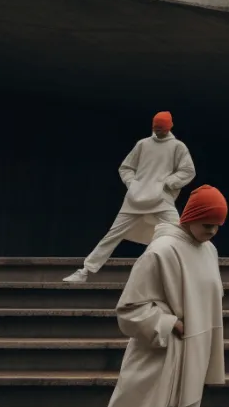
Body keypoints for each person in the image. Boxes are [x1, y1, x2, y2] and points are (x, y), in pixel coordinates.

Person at [74, 185, 228, 407]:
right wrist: (170, 324)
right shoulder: (160, 251)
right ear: (190, 217)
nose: (213, 231)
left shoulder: (209, 250)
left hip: (191, 356)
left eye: (218, 226)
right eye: (208, 224)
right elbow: (129, 309)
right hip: (158, 357)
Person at [64, 112, 196, 283]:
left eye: (161, 129)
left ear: (169, 127)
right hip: (135, 199)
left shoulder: (178, 147)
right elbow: (126, 168)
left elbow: (188, 170)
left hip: (161, 199)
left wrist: (168, 183)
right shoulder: (143, 144)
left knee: (179, 233)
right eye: (155, 129)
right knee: (112, 235)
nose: (157, 132)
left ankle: (189, 273)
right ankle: (85, 271)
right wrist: (133, 184)